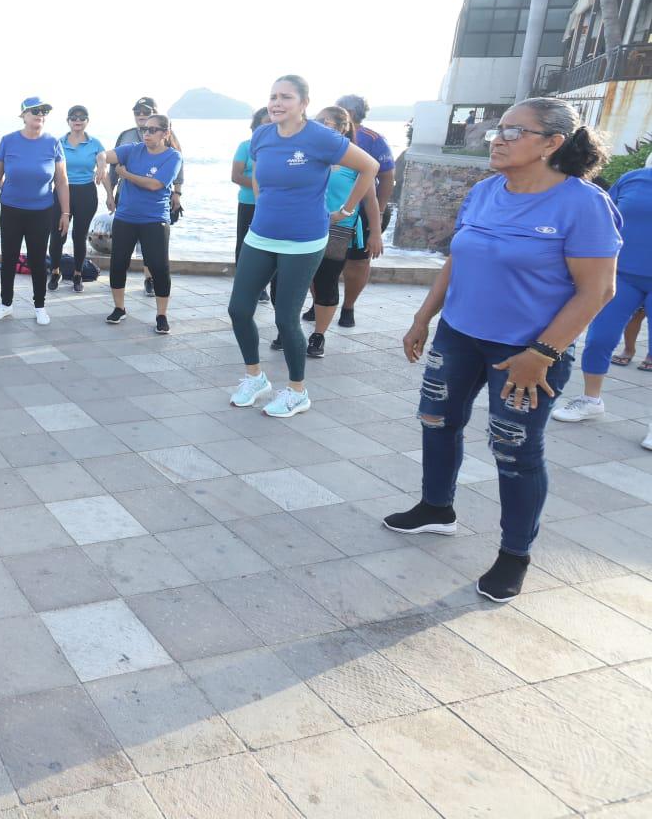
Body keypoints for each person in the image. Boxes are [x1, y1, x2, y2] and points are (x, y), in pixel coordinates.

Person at [386, 98, 620, 601]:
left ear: (553, 144)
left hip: (528, 352)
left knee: (515, 449)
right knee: (436, 421)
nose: (499, 138)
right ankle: (436, 509)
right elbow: (458, 259)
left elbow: (598, 290)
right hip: (459, 334)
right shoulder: (487, 190)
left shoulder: (583, 203)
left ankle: (514, 555)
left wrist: (544, 352)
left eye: (516, 132)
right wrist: (424, 316)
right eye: (499, 129)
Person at [226, 75, 381, 417]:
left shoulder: (320, 137)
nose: (277, 103)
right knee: (238, 309)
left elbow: (370, 167)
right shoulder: (262, 135)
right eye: (273, 97)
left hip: (303, 239)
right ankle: (255, 377)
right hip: (261, 233)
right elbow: (257, 174)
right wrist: (264, 197)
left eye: (286, 97)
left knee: (285, 317)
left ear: (303, 103)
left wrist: (345, 210)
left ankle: (297, 391)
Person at [550, 156, 651, 439]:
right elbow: (606, 217)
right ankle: (591, 401)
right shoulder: (633, 178)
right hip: (624, 274)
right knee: (599, 340)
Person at [298, 106, 384, 358]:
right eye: (318, 120)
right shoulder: (310, 155)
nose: (320, 124)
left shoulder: (354, 160)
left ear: (342, 127)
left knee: (326, 279)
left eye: (327, 121)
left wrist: (375, 232)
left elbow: (370, 200)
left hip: (338, 228)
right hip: (304, 227)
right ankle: (288, 329)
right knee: (301, 279)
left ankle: (318, 335)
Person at [0, 97, 69, 325]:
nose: (40, 114)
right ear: (23, 115)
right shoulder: (9, 141)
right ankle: (5, 304)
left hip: (41, 211)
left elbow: (61, 181)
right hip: (12, 209)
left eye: (43, 111)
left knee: (38, 260)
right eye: (34, 111)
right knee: (9, 258)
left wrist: (65, 213)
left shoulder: (53, 143)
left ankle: (40, 306)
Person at [103, 113, 182, 333]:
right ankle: (119, 308)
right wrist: (100, 162)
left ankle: (161, 315)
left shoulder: (173, 157)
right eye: (145, 129)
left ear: (165, 133)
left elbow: (155, 184)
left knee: (158, 267)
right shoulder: (132, 149)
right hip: (125, 217)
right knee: (118, 263)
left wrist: (126, 175)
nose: (147, 133)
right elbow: (105, 155)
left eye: (153, 130)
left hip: (154, 219)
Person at [116, 98, 183, 296]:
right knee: (122, 255)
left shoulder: (168, 139)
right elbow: (115, 164)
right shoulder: (126, 136)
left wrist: (177, 193)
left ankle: (149, 278)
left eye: (146, 112)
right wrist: (110, 193)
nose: (141, 116)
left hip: (154, 204)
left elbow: (178, 170)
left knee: (153, 251)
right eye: (137, 112)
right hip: (126, 198)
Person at [49, 105, 106, 293]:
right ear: (68, 121)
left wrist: (102, 169)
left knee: (78, 236)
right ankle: (55, 271)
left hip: (86, 193)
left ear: (87, 121)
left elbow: (102, 161)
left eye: (82, 117)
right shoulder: (59, 142)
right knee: (58, 235)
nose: (78, 120)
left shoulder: (95, 143)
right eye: (74, 117)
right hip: (61, 192)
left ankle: (77, 274)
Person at [232, 107, 274, 305]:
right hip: (249, 203)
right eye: (266, 122)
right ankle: (245, 285)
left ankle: (267, 286)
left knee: (273, 246)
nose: (271, 124)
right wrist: (264, 186)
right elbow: (236, 176)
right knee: (245, 244)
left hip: (276, 206)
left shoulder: (284, 149)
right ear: (257, 126)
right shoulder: (246, 146)